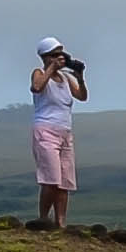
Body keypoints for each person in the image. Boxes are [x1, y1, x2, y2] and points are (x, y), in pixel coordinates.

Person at [26, 37, 86, 226]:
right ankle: (43, 219)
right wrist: (51, 68)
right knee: (50, 179)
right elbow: (36, 87)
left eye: (61, 54)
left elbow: (82, 96)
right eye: (55, 54)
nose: (60, 58)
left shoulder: (66, 79)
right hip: (46, 130)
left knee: (64, 182)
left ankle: (61, 222)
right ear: (45, 57)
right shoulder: (39, 73)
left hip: (65, 133)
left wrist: (79, 77)